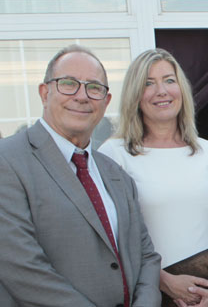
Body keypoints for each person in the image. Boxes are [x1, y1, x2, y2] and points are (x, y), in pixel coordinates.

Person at [0, 44, 161, 306]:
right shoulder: (7, 161)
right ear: (44, 92)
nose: (82, 96)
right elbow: (21, 267)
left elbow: (146, 257)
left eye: (94, 87)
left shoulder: (117, 175)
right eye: (68, 83)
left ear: (106, 101)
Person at [99, 48, 208, 307]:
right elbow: (112, 241)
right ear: (134, 95)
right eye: (148, 84)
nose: (162, 91)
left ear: (181, 89)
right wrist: (164, 282)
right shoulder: (114, 155)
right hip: (150, 296)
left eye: (169, 81)